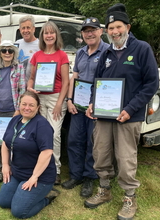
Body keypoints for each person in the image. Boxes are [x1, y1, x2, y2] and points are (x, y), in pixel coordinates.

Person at [84, 4, 159, 220]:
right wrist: (92, 103)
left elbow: (151, 84)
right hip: (105, 115)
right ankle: (104, 189)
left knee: (126, 158)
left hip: (129, 116)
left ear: (127, 26)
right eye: (110, 28)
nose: (114, 32)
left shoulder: (142, 49)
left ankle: (129, 197)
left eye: (118, 27)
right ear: (106, 31)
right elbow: (96, 83)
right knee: (100, 152)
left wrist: (130, 108)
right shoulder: (106, 52)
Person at [61, 17, 110, 197]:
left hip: (96, 106)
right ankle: (76, 175)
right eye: (86, 30)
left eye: (93, 30)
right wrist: (69, 99)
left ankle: (89, 177)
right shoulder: (81, 52)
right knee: (74, 140)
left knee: (92, 143)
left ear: (100, 31)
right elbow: (75, 77)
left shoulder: (108, 52)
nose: (89, 33)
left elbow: (108, 81)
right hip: (78, 104)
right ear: (82, 34)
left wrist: (95, 103)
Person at [0, 91, 59, 219]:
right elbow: (5, 143)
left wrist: (34, 177)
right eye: (24, 104)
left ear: (38, 107)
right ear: (19, 105)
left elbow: (47, 152)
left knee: (19, 211)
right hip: (17, 172)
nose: (27, 108)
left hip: (39, 177)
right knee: (4, 202)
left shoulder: (42, 125)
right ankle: (21, 192)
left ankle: (46, 198)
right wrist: (5, 165)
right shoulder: (15, 119)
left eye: (31, 105)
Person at [27, 21, 69, 185]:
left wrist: (59, 103)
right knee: (38, 134)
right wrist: (31, 89)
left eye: (52, 33)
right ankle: (39, 168)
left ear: (56, 35)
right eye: (46, 33)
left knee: (54, 134)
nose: (49, 35)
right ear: (42, 36)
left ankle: (55, 170)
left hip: (56, 98)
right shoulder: (37, 56)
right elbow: (31, 79)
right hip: (39, 99)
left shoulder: (62, 55)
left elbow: (66, 82)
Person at [0, 40, 25, 183]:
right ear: (0, 53)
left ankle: (13, 169)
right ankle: (0, 169)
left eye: (10, 50)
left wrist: (18, 109)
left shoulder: (19, 68)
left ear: (14, 53)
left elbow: (22, 90)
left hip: (12, 111)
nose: (7, 53)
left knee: (14, 142)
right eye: (4, 50)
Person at [16, 15, 40, 83]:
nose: (25, 30)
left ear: (33, 29)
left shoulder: (41, 45)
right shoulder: (16, 44)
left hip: (33, 87)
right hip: (18, 87)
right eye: (23, 28)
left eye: (28, 27)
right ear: (20, 30)